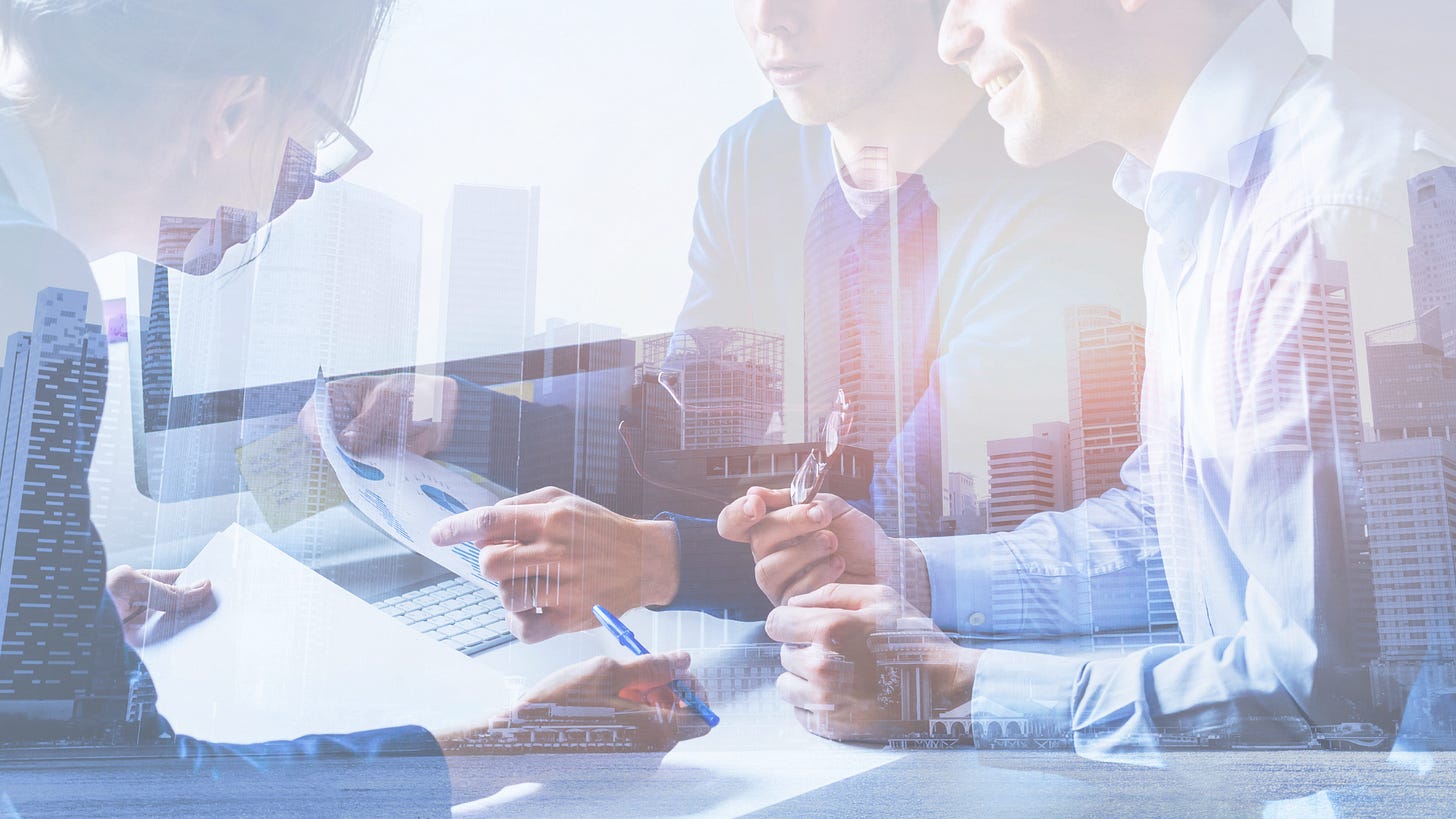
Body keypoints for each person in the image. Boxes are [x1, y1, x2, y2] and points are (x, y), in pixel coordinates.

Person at [0, 1, 707, 814]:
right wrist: (524, 738)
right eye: (309, 144)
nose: (300, 190)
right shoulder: (28, 284)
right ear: (230, 110)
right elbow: (115, 792)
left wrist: (47, 625)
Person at [730, 0, 1454, 754]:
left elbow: (1334, 688)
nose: (950, 39)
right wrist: (910, 570)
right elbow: (1172, 527)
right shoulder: (1207, 201)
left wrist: (956, 686)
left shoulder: (1327, 220)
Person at [327, 0, 1144, 645]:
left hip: (1010, 642)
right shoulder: (754, 161)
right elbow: (684, 451)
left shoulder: (1054, 190)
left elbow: (907, 530)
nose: (767, 18)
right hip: (820, 639)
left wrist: (656, 561)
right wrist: (462, 416)